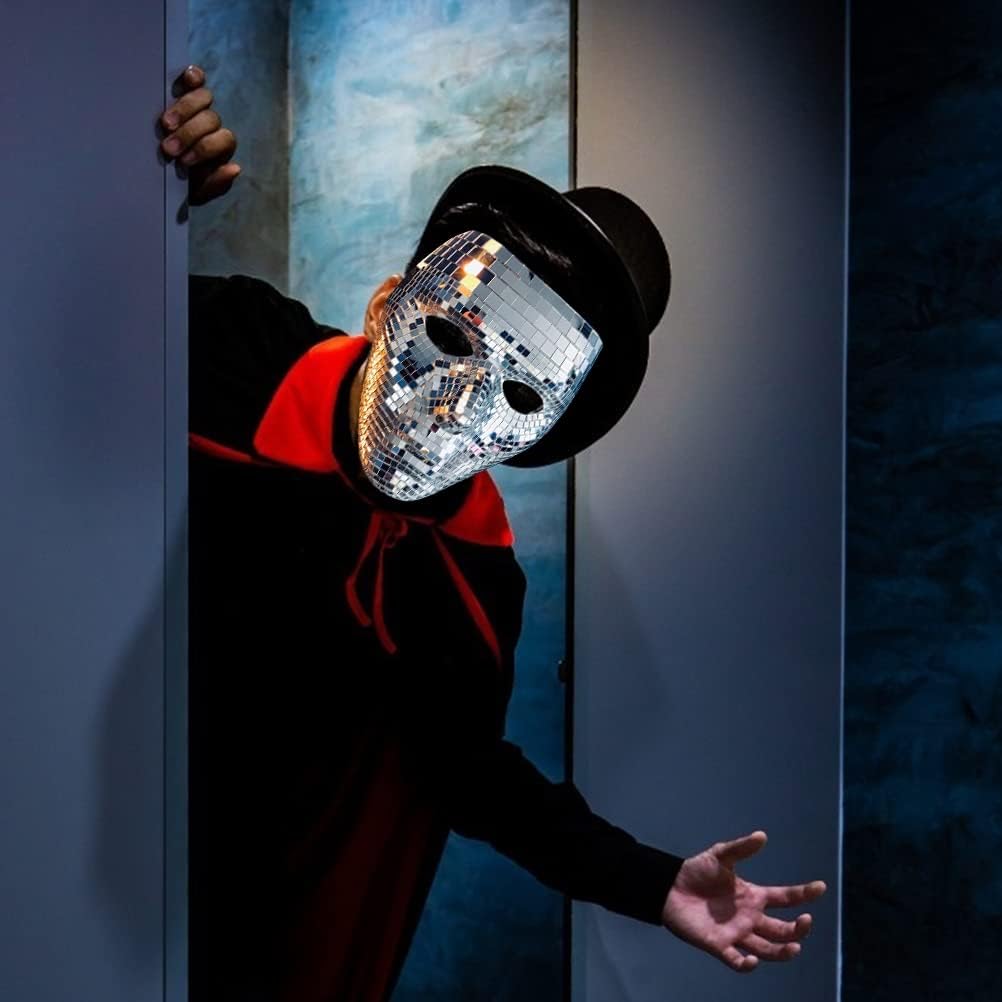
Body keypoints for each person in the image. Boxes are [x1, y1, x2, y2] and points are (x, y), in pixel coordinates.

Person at [162, 65, 827, 1001]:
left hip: (247, 935)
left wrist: (651, 883)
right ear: (389, 302)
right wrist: (139, 191)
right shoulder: (234, 345)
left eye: (516, 394)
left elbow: (468, 770)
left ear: (539, 435)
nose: (452, 408)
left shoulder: (470, 569)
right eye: (451, 341)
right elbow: (52, 328)